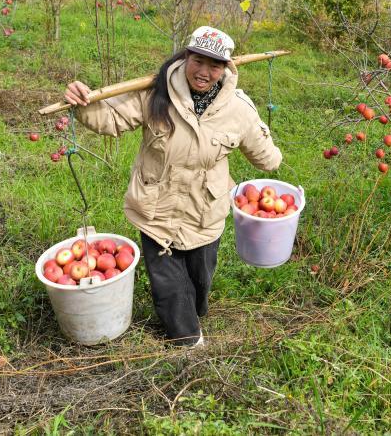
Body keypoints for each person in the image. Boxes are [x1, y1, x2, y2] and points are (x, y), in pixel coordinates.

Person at [62, 26, 282, 346]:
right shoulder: (156, 92)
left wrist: (271, 155)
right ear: (186, 56)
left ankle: (194, 311)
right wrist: (84, 103)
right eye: (198, 61)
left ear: (226, 68)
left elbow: (267, 159)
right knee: (169, 284)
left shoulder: (238, 110)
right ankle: (187, 341)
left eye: (215, 65)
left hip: (203, 211)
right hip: (156, 208)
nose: (204, 72)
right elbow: (111, 120)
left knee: (199, 280)